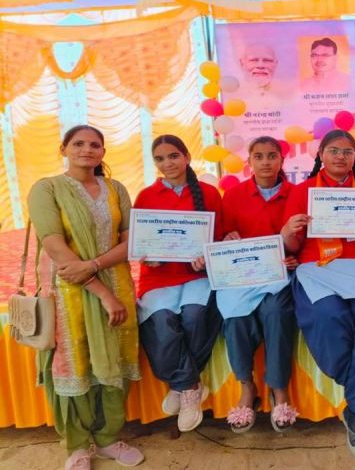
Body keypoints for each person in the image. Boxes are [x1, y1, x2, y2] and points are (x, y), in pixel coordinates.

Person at [28, 125, 143, 470]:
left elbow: (129, 240)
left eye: (95, 145)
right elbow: (54, 245)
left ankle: (108, 438)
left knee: (114, 360)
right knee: (75, 362)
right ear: (63, 148)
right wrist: (102, 292)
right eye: (78, 143)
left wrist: (95, 265)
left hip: (117, 282)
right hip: (70, 291)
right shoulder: (46, 189)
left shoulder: (116, 189)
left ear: (103, 153)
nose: (87, 150)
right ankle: (76, 445)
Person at [280, 129, 355, 460]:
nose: (341, 157)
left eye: (348, 151)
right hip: (318, 267)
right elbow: (292, 246)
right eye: (334, 151)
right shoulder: (304, 191)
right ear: (321, 154)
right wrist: (289, 231)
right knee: (326, 316)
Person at [133, 135, 223, 433]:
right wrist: (149, 259)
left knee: (196, 317)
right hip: (158, 277)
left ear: (186, 157)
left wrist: (206, 258)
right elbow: (141, 244)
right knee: (162, 323)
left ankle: (179, 384)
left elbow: (219, 239)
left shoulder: (209, 194)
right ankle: (190, 387)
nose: (167, 164)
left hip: (198, 275)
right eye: (159, 159)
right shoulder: (146, 196)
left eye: (173, 156)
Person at [219, 136, 298, 433]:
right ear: (249, 161)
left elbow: (305, 237)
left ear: (281, 160)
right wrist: (228, 238)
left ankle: (279, 390)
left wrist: (296, 259)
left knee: (277, 313)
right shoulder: (233, 196)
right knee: (235, 317)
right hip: (242, 276)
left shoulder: (296, 194)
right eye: (259, 156)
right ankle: (247, 388)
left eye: (272, 156)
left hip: (281, 276)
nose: (266, 162)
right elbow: (224, 236)